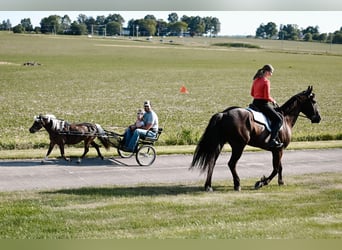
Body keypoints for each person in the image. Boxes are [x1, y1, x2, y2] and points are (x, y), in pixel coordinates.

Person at [250, 64, 283, 148]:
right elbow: (266, 97)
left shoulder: (256, 79)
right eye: (271, 72)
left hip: (254, 103)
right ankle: (272, 140)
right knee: (278, 120)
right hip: (262, 104)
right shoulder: (266, 81)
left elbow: (252, 93)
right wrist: (273, 100)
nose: (271, 74)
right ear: (267, 72)